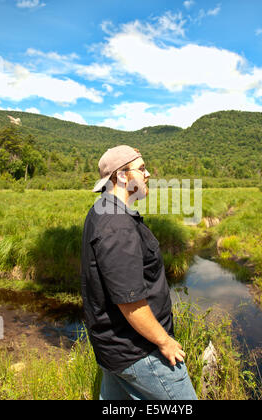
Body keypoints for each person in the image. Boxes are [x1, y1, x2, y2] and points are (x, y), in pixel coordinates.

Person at [81, 145, 197, 400]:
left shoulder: (104, 210)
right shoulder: (117, 226)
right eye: (142, 169)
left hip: (116, 348)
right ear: (122, 176)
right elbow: (130, 300)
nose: (148, 175)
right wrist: (164, 341)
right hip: (140, 352)